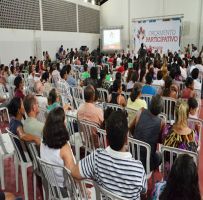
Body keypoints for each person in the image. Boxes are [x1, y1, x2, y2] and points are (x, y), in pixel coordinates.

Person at [71, 110, 147, 199]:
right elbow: (144, 193)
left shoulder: (97, 157)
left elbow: (74, 172)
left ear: (107, 138)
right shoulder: (138, 169)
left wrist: (84, 190)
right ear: (127, 138)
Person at [40, 107, 75, 196]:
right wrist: (83, 190)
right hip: (65, 190)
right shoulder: (64, 148)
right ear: (61, 126)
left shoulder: (42, 142)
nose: (66, 122)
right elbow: (72, 176)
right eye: (64, 120)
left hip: (50, 185)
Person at [129, 94, 165, 170]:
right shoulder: (161, 122)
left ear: (150, 103)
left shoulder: (140, 111)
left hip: (132, 155)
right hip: (147, 163)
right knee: (161, 155)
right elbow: (160, 141)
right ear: (161, 109)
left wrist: (138, 137)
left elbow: (131, 128)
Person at [7, 97, 40, 161]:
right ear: (19, 110)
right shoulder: (17, 125)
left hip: (19, 152)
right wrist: (36, 138)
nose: (24, 106)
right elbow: (22, 135)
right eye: (22, 104)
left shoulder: (12, 120)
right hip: (26, 156)